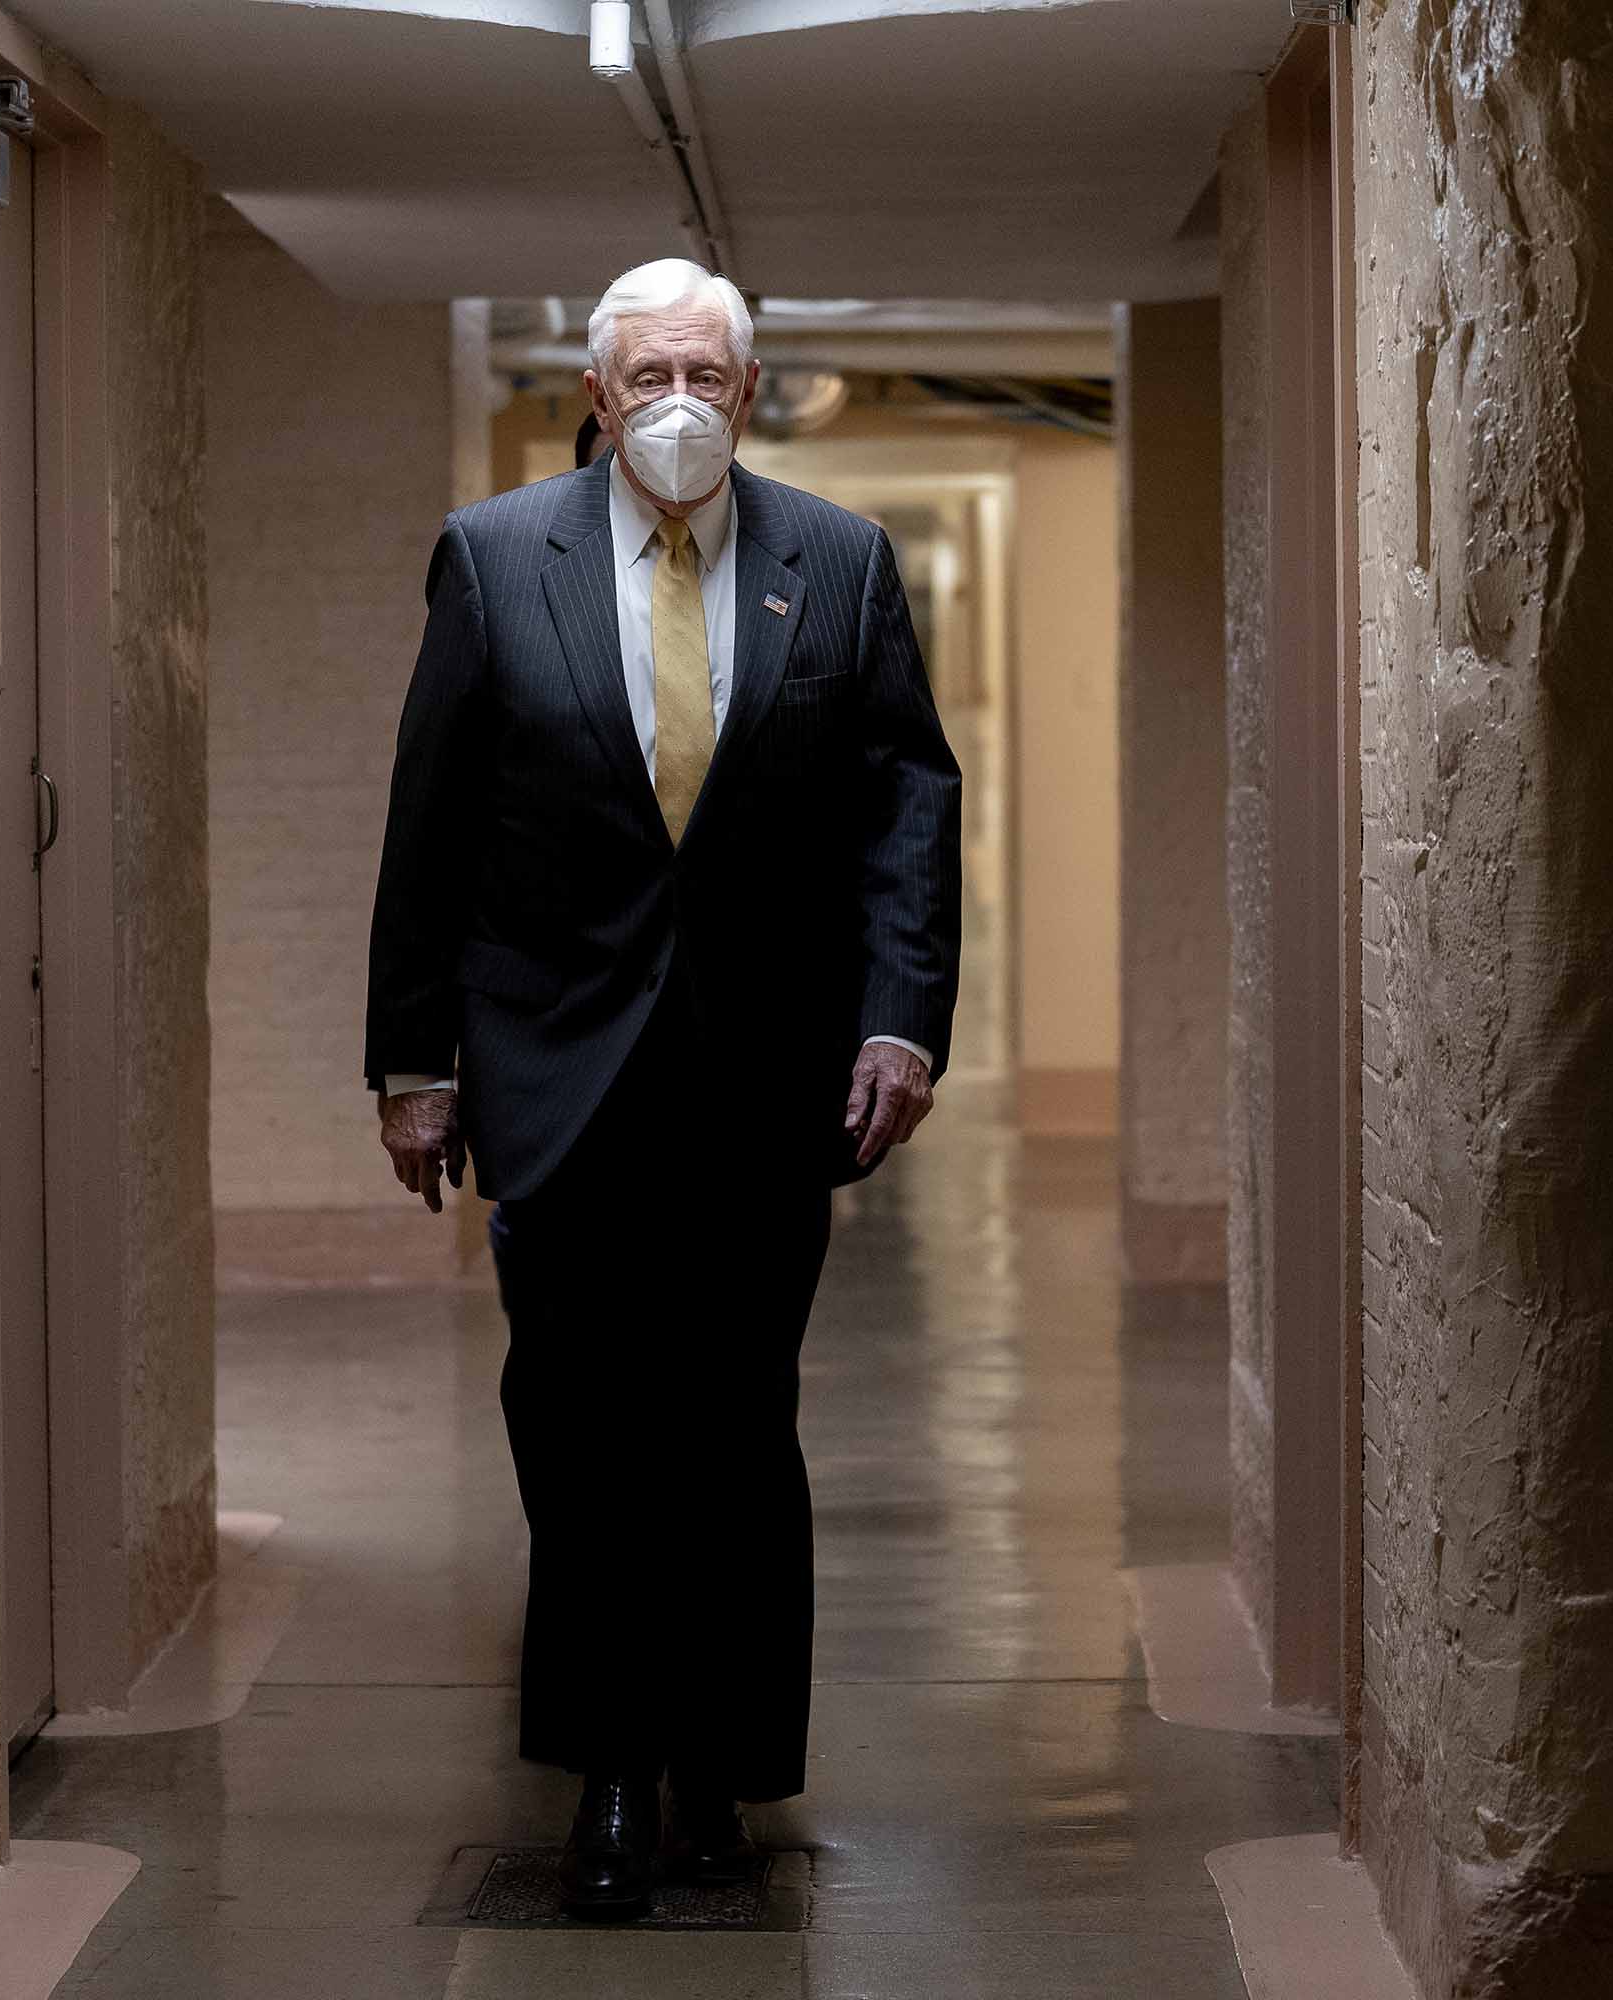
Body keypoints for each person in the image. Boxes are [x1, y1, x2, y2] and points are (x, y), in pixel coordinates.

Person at [363, 257, 961, 1919]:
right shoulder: (496, 558)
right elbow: (430, 822)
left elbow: (905, 794)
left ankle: (723, 1767)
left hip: (765, 1082)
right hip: (553, 1072)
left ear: (749, 392)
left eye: (709, 373)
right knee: (580, 1426)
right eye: (649, 379)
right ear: (598, 397)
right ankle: (610, 1772)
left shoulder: (835, 563)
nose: (679, 403)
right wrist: (414, 1066)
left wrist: (902, 1018)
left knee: (735, 1424)